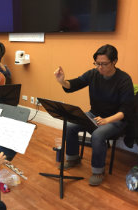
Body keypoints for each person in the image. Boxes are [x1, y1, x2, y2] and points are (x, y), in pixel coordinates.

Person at [54, 44, 134, 186]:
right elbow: (75, 84)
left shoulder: (124, 80)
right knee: (71, 125)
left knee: (98, 134)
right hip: (95, 114)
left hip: (116, 119)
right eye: (97, 64)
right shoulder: (93, 74)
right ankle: (73, 157)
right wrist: (62, 81)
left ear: (114, 61)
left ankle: (98, 171)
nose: (99, 67)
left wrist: (107, 120)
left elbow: (126, 110)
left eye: (104, 64)